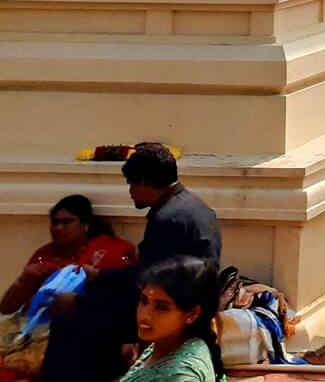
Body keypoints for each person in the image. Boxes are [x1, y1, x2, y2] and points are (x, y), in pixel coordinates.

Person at [41, 143, 222, 382]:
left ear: (144, 183)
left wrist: (81, 301)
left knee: (69, 323)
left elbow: (146, 281)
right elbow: (149, 268)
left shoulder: (168, 218)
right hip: (189, 302)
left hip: (171, 306)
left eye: (131, 184)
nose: (130, 192)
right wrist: (101, 277)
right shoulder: (195, 206)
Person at [1, 195, 136, 315]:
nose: (59, 228)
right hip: (39, 334)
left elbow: (126, 299)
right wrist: (25, 278)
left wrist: (78, 301)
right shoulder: (44, 255)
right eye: (55, 223)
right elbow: (6, 308)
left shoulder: (111, 249)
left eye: (67, 222)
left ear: (85, 225)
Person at [119, 256, 224, 382]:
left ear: (192, 315)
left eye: (162, 307)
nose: (144, 315)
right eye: (144, 300)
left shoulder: (182, 375)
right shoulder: (164, 343)